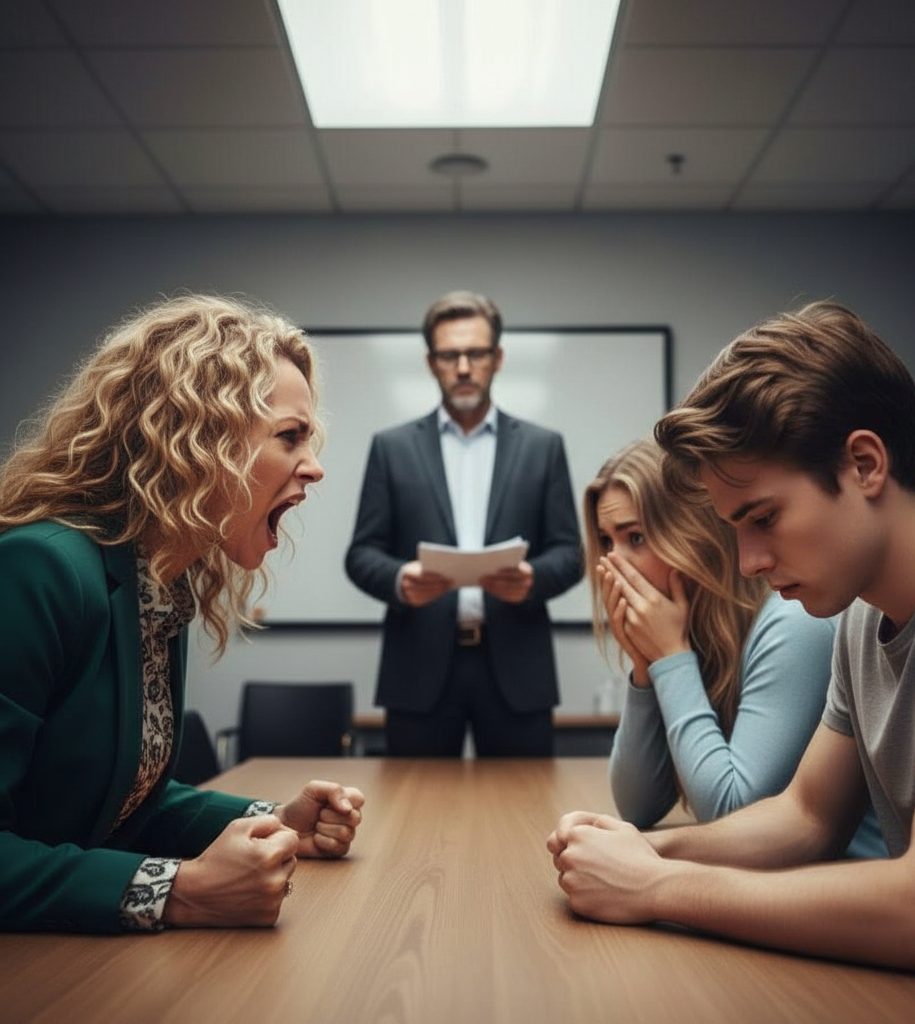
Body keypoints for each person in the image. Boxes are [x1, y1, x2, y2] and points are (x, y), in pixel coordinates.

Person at [549, 300, 915, 978]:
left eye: (764, 518)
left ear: (864, 464)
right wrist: (640, 849)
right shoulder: (860, 613)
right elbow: (804, 817)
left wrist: (657, 886)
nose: (746, 563)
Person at [0, 294, 365, 934]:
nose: (315, 466)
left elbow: (121, 804)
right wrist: (180, 890)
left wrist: (274, 819)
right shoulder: (40, 570)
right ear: (197, 442)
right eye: (289, 437)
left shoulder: (161, 589)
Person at [586, 438, 884, 857]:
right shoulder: (697, 631)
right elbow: (638, 805)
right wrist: (644, 663)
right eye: (606, 542)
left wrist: (671, 657)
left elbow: (731, 810)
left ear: (693, 534)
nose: (613, 566)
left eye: (635, 538)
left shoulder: (792, 622)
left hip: (849, 891)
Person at [345, 290, 582, 757]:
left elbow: (571, 553)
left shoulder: (543, 446)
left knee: (525, 814)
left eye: (475, 353)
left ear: (497, 358)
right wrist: (399, 579)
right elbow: (361, 553)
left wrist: (533, 579)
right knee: (413, 813)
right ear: (431, 362)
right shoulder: (391, 448)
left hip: (517, 666)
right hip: (417, 669)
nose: (464, 367)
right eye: (450, 355)